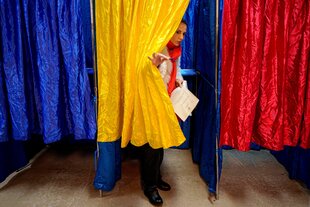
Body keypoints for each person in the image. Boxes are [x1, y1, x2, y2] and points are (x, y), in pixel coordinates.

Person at [139, 19, 187, 206]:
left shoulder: (175, 51)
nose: (180, 37)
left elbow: (177, 70)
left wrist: (179, 79)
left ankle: (156, 177)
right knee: (152, 146)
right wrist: (155, 66)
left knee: (160, 145)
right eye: (177, 32)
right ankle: (149, 186)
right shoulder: (158, 48)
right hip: (153, 104)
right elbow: (148, 78)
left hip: (167, 103)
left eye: (183, 33)